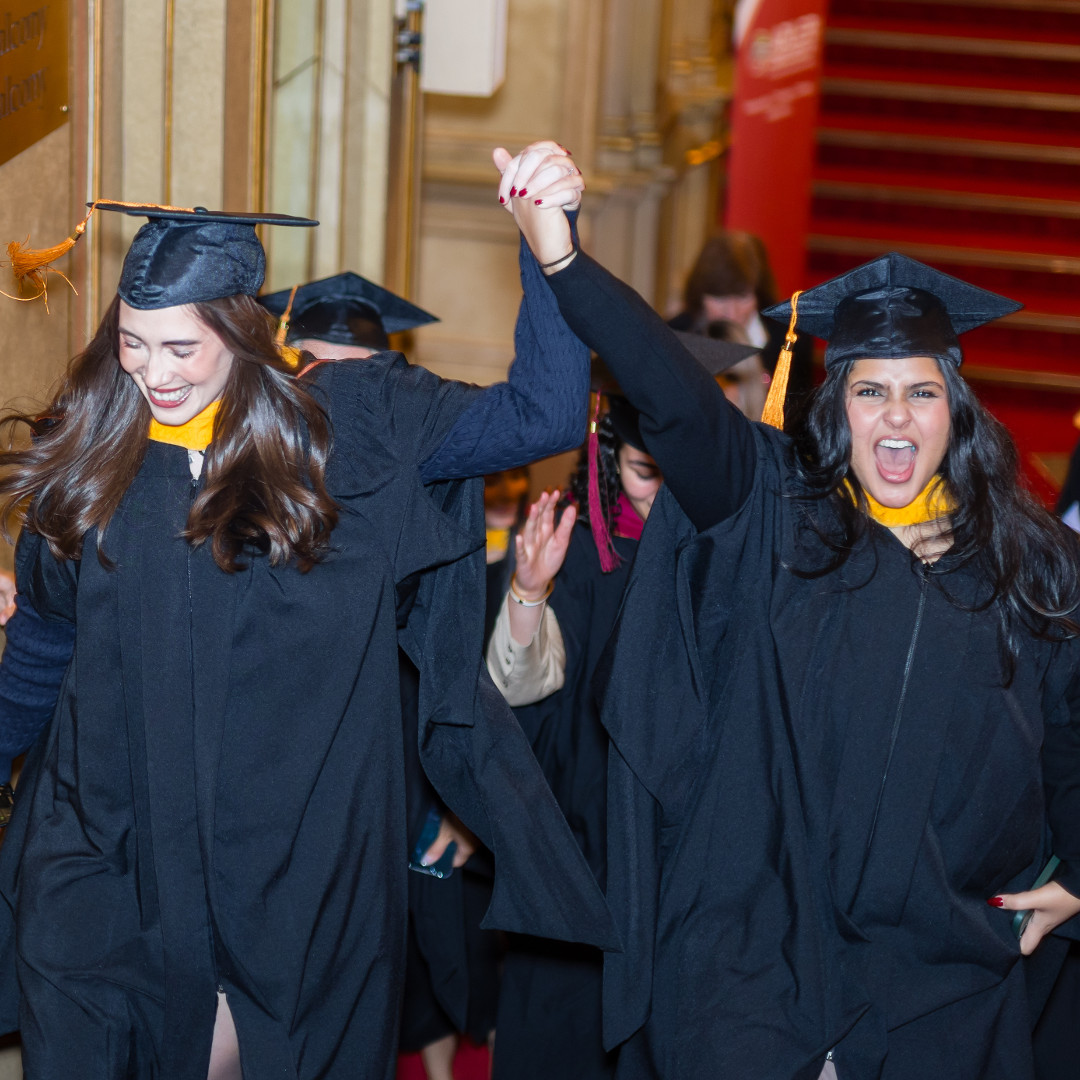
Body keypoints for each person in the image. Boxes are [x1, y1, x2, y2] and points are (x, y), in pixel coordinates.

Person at [0, 145, 617, 1080]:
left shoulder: (351, 436)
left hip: (300, 870)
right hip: (111, 864)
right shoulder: (97, 453)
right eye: (132, 342)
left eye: (179, 349)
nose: (152, 374)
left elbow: (541, 418)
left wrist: (549, 241)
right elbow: (42, 652)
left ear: (243, 335)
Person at [494, 144, 1080, 1080]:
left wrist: (1076, 879)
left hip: (940, 972)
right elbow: (677, 403)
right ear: (835, 405)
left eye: (922, 392)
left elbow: (1071, 733)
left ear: (956, 409)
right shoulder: (778, 518)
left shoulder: (1030, 565)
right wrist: (564, 257)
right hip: (756, 949)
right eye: (870, 391)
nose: (896, 419)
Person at [484, 337, 755, 1080]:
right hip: (584, 850)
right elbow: (518, 699)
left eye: (678, 473)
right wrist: (529, 593)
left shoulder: (738, 551)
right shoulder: (575, 546)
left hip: (690, 855)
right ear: (608, 451)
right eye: (643, 472)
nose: (662, 495)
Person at [669, 229, 815, 412]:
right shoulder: (672, 334)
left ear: (759, 295)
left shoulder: (792, 340)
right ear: (700, 296)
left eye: (742, 297)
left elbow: (799, 418)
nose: (731, 313)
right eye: (719, 299)